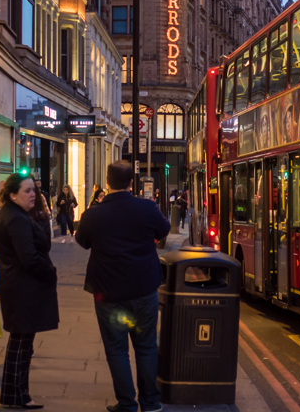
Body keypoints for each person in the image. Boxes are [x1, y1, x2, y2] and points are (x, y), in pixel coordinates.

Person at [76, 160, 170, 412]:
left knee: (117, 349)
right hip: (144, 290)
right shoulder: (147, 208)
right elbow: (164, 230)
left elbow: (82, 241)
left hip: (108, 294)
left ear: (107, 182)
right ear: (131, 182)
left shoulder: (93, 213)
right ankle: (150, 402)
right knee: (146, 346)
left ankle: (127, 403)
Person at [0, 173, 59, 410]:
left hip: (16, 285)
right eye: (27, 191)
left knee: (20, 341)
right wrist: (50, 272)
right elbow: (28, 258)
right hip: (23, 288)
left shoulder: (11, 215)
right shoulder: (16, 219)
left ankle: (15, 394)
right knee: (21, 343)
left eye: (34, 190)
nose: (33, 194)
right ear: (13, 195)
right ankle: (18, 395)